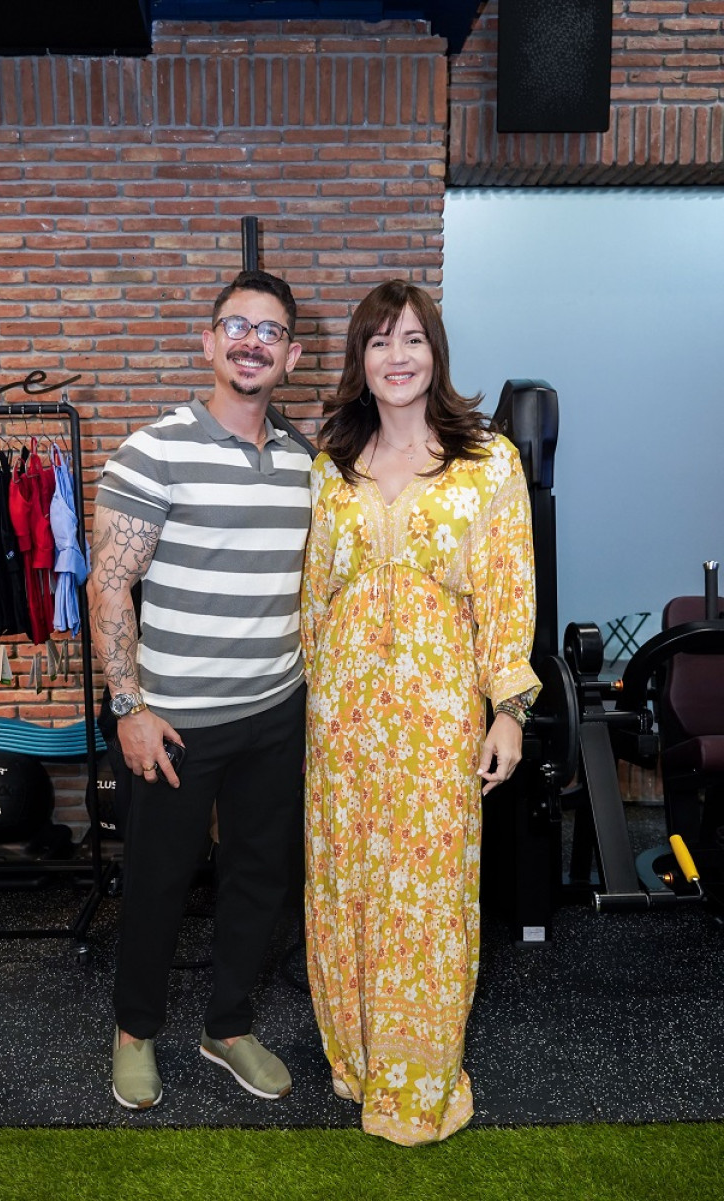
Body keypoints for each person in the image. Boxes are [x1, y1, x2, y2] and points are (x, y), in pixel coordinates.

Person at [301, 280, 541, 1146]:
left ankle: (420, 1077)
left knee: (430, 894)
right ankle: (358, 1058)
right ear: (359, 361)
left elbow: (508, 596)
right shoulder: (330, 465)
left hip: (439, 718)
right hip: (343, 718)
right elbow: (312, 601)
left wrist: (508, 708)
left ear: (435, 354)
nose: (396, 357)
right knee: (349, 886)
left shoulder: (489, 462)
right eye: (378, 342)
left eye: (412, 340)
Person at [87, 269, 311, 1110]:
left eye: (271, 331)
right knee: (157, 880)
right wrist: (130, 708)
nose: (253, 341)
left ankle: (228, 1023)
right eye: (238, 326)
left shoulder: (301, 462)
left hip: (274, 711)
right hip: (174, 721)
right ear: (209, 342)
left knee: (261, 876)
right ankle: (135, 1032)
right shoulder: (155, 448)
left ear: (289, 356)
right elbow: (109, 587)